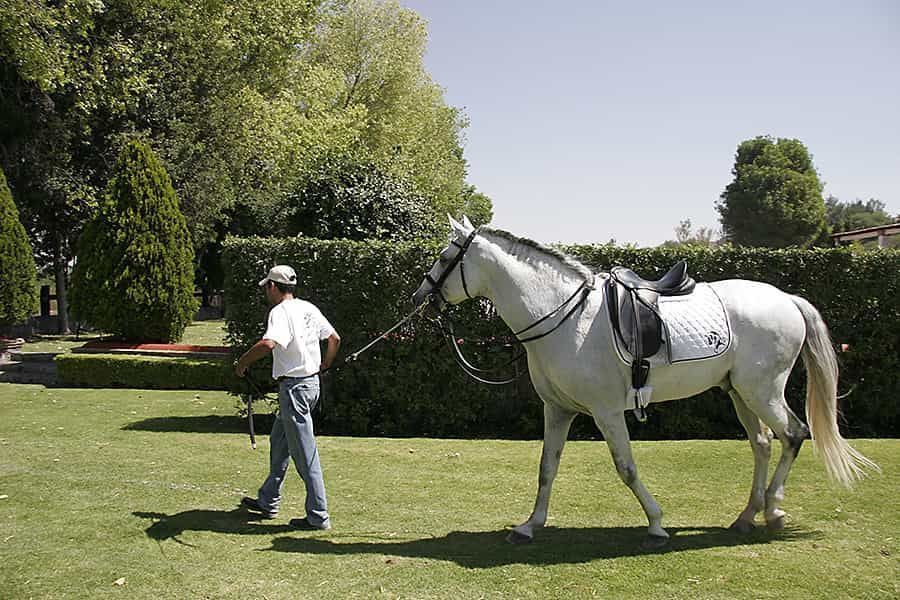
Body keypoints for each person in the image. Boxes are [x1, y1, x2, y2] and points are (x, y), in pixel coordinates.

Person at [234, 265, 340, 530]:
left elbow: (269, 343)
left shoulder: (279, 312)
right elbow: (334, 339)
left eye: (266, 287)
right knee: (279, 441)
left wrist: (242, 363)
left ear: (272, 286)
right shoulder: (309, 308)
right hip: (309, 385)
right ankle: (268, 499)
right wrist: (324, 366)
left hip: (294, 389)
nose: (266, 291)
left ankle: (318, 516)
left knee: (305, 455)